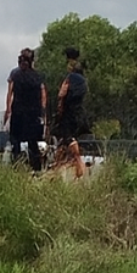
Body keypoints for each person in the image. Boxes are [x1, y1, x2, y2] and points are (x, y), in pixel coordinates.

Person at [4, 47, 46, 171]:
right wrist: (43, 113)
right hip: (33, 115)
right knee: (33, 143)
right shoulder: (38, 77)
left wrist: (8, 111)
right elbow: (43, 95)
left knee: (15, 141)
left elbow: (10, 93)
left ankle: (16, 167)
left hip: (18, 114)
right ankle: (36, 170)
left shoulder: (15, 75)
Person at [52, 46, 89, 178]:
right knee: (62, 143)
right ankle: (55, 170)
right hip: (80, 112)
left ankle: (79, 165)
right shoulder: (82, 79)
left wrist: (59, 109)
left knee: (68, 138)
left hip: (69, 113)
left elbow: (62, 93)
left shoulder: (69, 76)